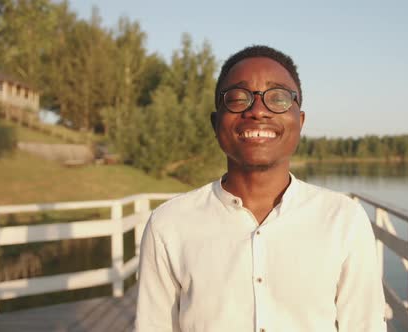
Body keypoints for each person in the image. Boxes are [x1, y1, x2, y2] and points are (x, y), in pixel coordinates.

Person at [135, 45, 386, 332]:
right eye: (238, 98)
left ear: (299, 121)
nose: (257, 111)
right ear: (216, 123)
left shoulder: (343, 219)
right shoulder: (169, 224)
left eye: (278, 98)